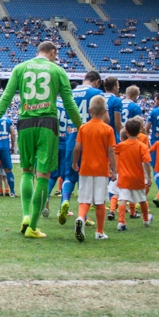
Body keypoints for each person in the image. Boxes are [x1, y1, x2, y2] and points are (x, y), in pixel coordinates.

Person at [0, 41, 83, 238]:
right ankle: (33, 227)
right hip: (48, 123)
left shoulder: (20, 68)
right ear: (52, 52)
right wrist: (82, 127)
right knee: (44, 176)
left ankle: (26, 216)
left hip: (25, 122)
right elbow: (70, 104)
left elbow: (6, 97)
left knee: (27, 172)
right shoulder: (57, 70)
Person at [56, 72, 105, 225]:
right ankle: (82, 216)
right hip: (91, 141)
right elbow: (106, 118)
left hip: (71, 139)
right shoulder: (97, 93)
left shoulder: (70, 93)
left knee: (70, 176)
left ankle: (64, 200)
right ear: (97, 81)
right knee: (86, 178)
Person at [72, 96, 116, 241]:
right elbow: (111, 151)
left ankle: (80, 218)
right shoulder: (108, 129)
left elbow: (77, 147)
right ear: (104, 111)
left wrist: (74, 163)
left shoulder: (83, 128)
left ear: (89, 110)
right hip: (101, 170)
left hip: (85, 169)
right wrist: (114, 170)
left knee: (84, 200)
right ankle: (99, 231)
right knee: (100, 202)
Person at [115, 119, 153, 231]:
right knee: (142, 199)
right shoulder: (142, 146)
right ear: (139, 131)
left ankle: (121, 222)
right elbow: (146, 162)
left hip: (124, 177)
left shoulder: (120, 145)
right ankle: (146, 219)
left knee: (122, 199)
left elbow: (112, 154)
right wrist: (148, 177)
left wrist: (112, 169)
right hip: (138, 177)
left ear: (126, 131)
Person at [102, 77, 123, 141]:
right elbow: (117, 124)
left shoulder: (99, 96)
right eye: (118, 85)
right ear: (114, 87)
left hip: (99, 132)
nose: (119, 87)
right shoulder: (116, 100)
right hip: (110, 135)